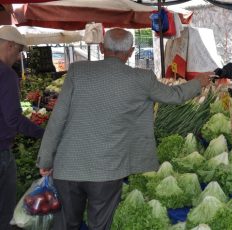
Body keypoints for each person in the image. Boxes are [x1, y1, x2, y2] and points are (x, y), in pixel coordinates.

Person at [37, 28, 211, 230]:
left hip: (67, 168)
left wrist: (46, 159)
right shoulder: (142, 78)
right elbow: (175, 95)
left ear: (102, 48)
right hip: (107, 171)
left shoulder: (77, 71)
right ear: (131, 51)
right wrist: (198, 82)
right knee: (99, 226)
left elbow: (57, 119)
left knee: (68, 224)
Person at [0, 25, 45, 229]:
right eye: (18, 51)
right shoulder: (5, 74)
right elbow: (14, 120)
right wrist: (45, 134)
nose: (18, 58)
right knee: (5, 213)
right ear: (9, 45)